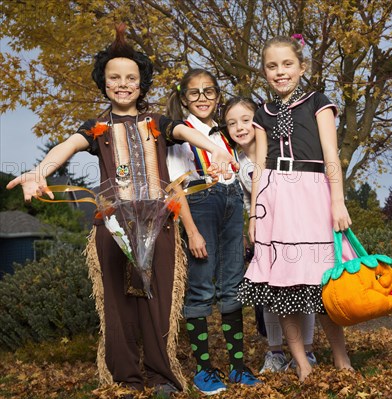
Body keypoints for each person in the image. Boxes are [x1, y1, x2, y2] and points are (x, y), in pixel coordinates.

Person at [6, 25, 237, 398]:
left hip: (160, 224)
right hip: (112, 225)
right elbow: (65, 147)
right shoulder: (95, 129)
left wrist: (221, 152)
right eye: (115, 77)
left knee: (158, 302)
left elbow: (187, 133)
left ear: (141, 83)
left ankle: (162, 376)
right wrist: (39, 172)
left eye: (131, 77)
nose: (123, 84)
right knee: (117, 304)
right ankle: (126, 379)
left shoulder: (158, 123)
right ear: (105, 82)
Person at [236, 35, 354, 382]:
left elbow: (331, 156)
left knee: (326, 281)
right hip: (276, 200)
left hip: (314, 193)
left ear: (302, 68)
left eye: (287, 64)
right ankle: (300, 361)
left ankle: (340, 356)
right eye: (272, 66)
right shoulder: (262, 113)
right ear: (264, 72)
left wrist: (337, 201)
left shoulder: (318, 102)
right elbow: (258, 167)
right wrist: (255, 214)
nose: (280, 72)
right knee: (283, 283)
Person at [165, 69, 260, 396]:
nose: (202, 98)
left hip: (232, 207)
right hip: (200, 209)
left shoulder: (225, 134)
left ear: (218, 97)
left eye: (209, 92)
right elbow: (176, 187)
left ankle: (237, 366)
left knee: (233, 286)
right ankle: (204, 370)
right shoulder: (180, 133)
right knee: (201, 289)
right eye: (194, 93)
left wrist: (249, 218)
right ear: (184, 98)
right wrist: (191, 231)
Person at [223, 97, 318, 374]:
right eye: (231, 123)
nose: (240, 127)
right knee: (269, 293)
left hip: (296, 224)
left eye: (245, 120)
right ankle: (275, 352)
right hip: (265, 230)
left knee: (305, 288)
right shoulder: (237, 163)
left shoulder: (280, 149)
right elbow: (242, 200)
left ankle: (308, 351)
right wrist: (246, 229)